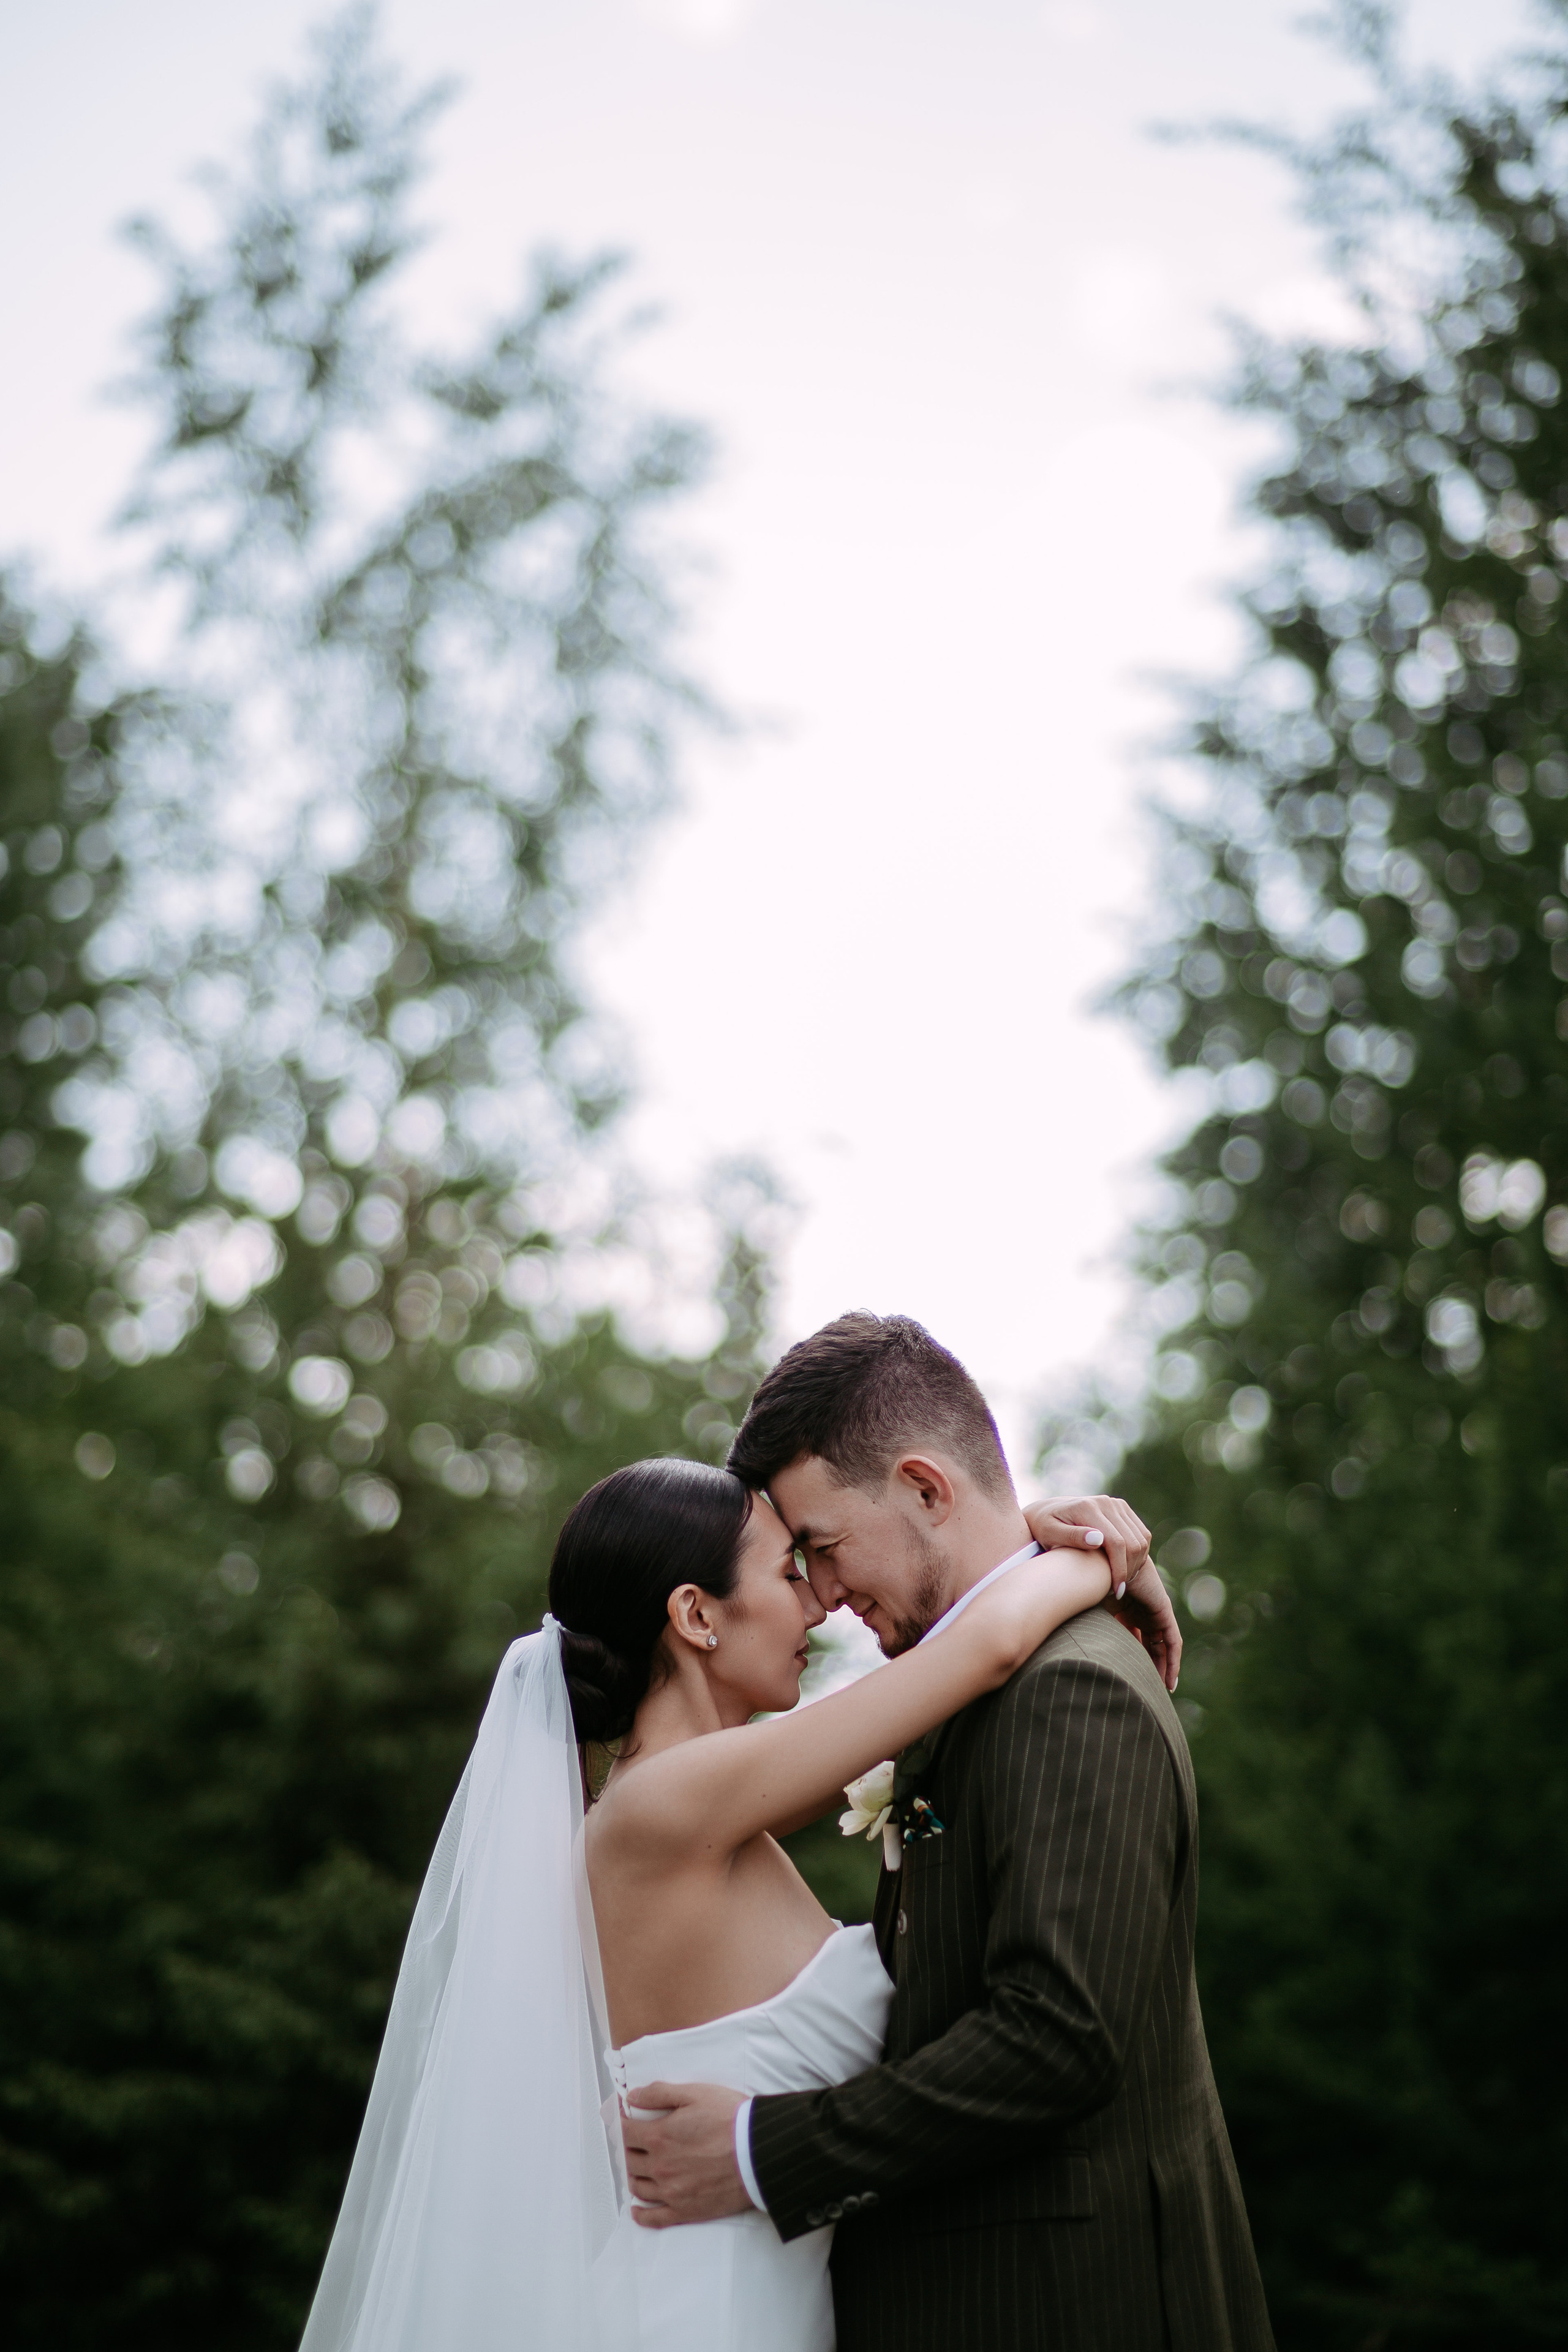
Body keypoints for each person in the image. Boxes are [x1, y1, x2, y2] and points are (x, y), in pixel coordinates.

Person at [295, 1340, 1163, 2352]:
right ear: (696, 1616)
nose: (819, 1600)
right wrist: (1097, 1554)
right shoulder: (663, 1806)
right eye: (788, 1569)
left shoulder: (701, 1813)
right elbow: (989, 1645)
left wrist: (1025, 1537)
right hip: (701, 2311)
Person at [622, 1313, 1275, 2352]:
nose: (825, 1598)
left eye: (824, 1550)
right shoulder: (978, 1682)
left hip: (1068, 2305)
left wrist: (758, 2150)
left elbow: (1060, 2036)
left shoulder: (1070, 1693)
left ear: (927, 1489)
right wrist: (1087, 1553)